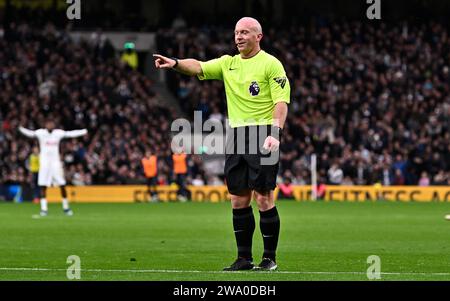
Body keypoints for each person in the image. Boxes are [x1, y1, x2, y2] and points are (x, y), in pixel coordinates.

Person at [154, 17, 290, 271]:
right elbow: (198, 67)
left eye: (245, 33)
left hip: (263, 135)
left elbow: (281, 101)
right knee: (238, 199)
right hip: (236, 135)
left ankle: (269, 259)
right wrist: (175, 64)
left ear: (258, 37)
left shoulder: (271, 64)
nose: (238, 37)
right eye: (237, 32)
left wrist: (275, 132)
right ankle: (244, 258)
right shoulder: (228, 63)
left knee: (263, 198)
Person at [18, 120, 88, 216]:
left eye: (52, 123)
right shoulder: (40, 133)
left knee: (62, 184)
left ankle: (66, 208)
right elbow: (30, 133)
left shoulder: (58, 133)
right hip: (44, 164)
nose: (50, 125)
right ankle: (44, 209)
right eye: (48, 123)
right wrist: (20, 128)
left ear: (54, 125)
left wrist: (84, 131)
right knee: (43, 186)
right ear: (45, 124)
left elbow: (70, 134)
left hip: (55, 164)